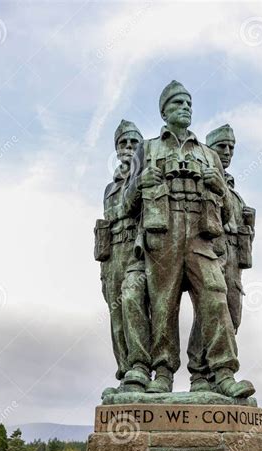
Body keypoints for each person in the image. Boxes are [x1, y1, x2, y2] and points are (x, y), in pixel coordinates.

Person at [124, 81, 254, 399]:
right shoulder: (148, 149)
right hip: (163, 235)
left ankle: (222, 372)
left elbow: (228, 214)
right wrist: (140, 183)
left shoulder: (208, 154)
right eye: (178, 103)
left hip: (201, 236)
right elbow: (127, 206)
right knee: (162, 304)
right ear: (164, 111)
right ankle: (163, 373)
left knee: (215, 298)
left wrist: (219, 187)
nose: (185, 108)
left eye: (189, 104)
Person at [187, 124, 256, 391]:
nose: (227, 152)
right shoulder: (201, 181)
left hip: (234, 262)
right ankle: (201, 374)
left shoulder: (234, 193)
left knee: (232, 316)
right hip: (210, 254)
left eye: (231, 148)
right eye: (221, 147)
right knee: (210, 313)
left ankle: (215, 377)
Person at [96, 120, 151, 391]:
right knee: (116, 318)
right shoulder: (110, 188)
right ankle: (126, 374)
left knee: (133, 304)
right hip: (112, 254)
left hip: (138, 250)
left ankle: (142, 368)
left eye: (133, 142)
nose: (128, 147)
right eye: (123, 143)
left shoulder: (147, 176)